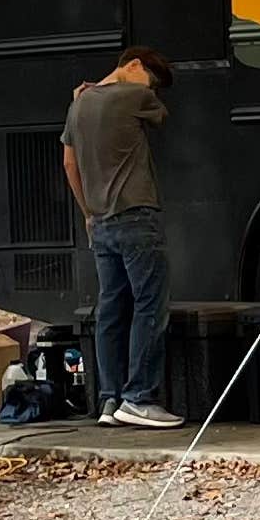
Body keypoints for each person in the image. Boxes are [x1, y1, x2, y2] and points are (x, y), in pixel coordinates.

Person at [64, 48, 183, 429]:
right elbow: (162, 117)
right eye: (152, 82)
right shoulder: (136, 96)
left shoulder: (78, 104)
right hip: (136, 214)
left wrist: (87, 213)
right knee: (150, 304)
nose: (154, 92)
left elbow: (69, 163)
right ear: (133, 66)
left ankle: (109, 399)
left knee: (111, 309)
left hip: (100, 221)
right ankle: (140, 398)